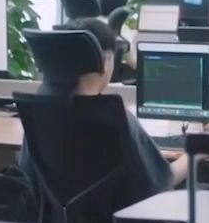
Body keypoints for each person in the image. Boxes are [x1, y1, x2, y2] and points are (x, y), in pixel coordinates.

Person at [65, 18, 187, 192]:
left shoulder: (41, 111)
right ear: (106, 60)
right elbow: (162, 181)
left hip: (56, 210)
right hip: (121, 209)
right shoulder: (117, 117)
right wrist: (195, 152)